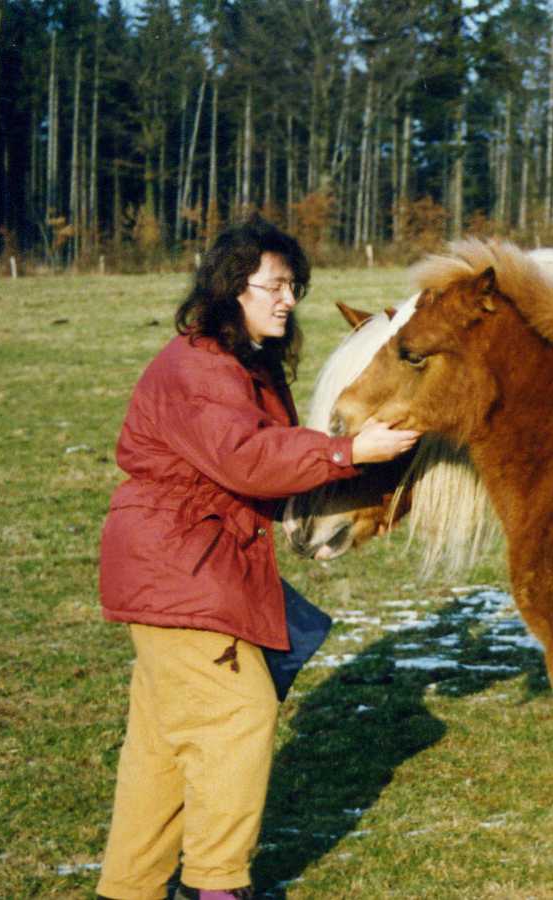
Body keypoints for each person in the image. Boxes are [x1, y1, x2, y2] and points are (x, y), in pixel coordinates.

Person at [95, 217, 419, 900]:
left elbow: (264, 460)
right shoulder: (201, 368)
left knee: (163, 747)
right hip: (184, 568)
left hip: (182, 566)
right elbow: (246, 458)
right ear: (230, 288)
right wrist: (348, 453)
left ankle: (130, 888)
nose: (288, 300)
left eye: (294, 287)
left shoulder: (242, 366)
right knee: (236, 715)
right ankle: (215, 887)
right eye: (273, 286)